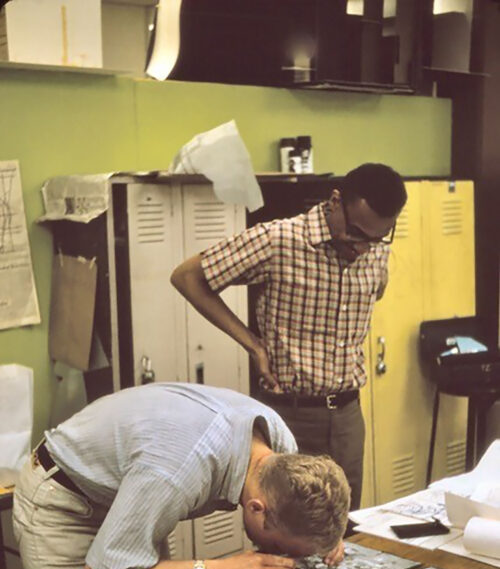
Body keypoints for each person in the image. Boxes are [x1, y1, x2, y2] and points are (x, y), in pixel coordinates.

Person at [12, 382, 350, 569]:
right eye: (284, 548)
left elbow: (312, 499)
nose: (285, 558)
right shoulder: (179, 471)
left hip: (135, 496)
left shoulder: (279, 445)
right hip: (63, 501)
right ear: (257, 509)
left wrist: (325, 538)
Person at [171, 163, 407, 511]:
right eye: (356, 234)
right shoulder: (280, 240)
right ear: (335, 201)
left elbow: (374, 293)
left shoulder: (375, 251)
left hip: (347, 415)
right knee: (286, 532)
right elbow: (188, 277)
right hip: (290, 416)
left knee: (345, 533)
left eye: (376, 238)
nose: (363, 248)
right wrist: (253, 344)